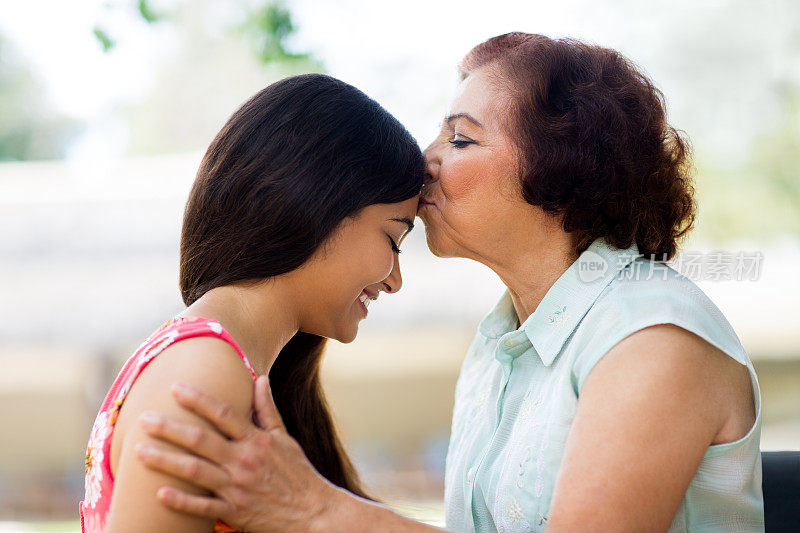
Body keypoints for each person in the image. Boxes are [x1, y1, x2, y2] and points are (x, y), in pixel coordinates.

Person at [135, 33, 764, 532]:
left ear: (562, 174)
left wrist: (318, 510)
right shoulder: (501, 344)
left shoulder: (652, 337)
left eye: (460, 137)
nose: (426, 157)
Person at [79, 73, 424, 532]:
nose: (395, 280)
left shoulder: (226, 367)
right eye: (394, 238)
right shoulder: (204, 371)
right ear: (319, 201)